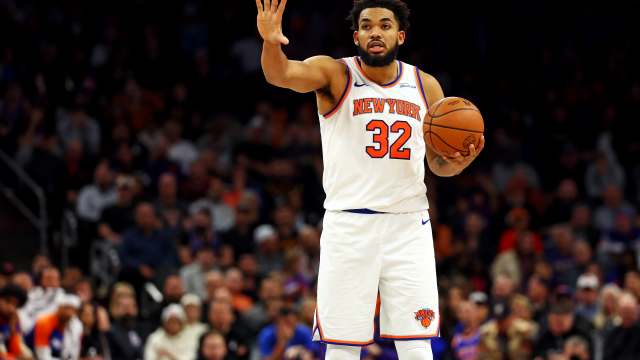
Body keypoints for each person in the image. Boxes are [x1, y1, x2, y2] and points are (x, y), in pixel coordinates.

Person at [256, 0, 484, 358]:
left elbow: (438, 165)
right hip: (349, 225)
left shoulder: (426, 86)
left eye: (384, 25)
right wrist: (271, 42)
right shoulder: (335, 74)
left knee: (416, 342)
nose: (375, 31)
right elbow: (281, 74)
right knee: (343, 345)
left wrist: (459, 162)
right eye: (366, 25)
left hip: (409, 224)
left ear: (400, 35)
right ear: (356, 36)